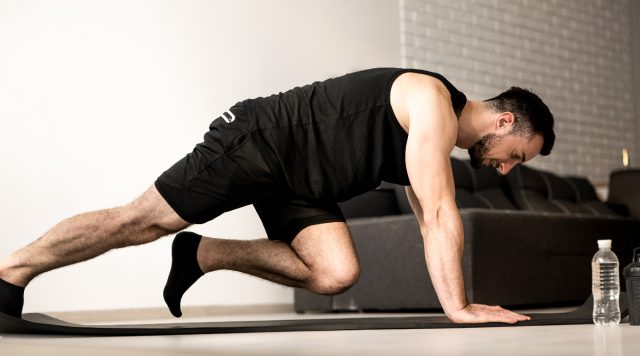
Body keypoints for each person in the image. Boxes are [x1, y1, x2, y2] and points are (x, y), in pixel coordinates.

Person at [0, 67, 555, 324]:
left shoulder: (429, 141)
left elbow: (429, 221)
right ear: (504, 120)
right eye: (516, 155)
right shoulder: (431, 99)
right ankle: (11, 271)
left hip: (302, 185)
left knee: (335, 273)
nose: (506, 169)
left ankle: (202, 255)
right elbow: (439, 214)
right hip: (260, 141)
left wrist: (453, 304)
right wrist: (457, 310)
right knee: (138, 222)